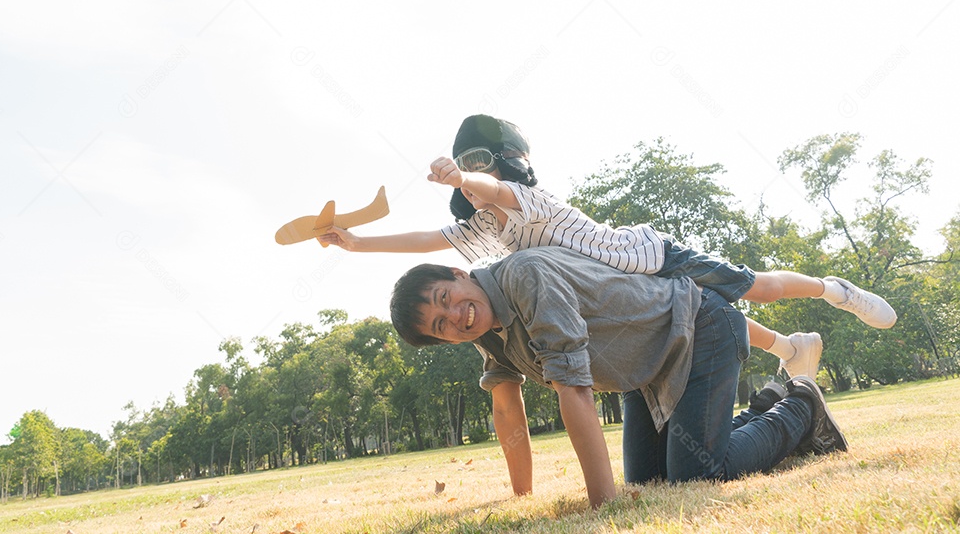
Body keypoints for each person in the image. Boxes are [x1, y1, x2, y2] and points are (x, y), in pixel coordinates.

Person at [320, 114, 896, 378]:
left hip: (649, 258)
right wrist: (356, 243)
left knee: (758, 290)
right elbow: (426, 240)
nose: (474, 184)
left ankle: (835, 290)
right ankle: (791, 351)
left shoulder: (524, 201)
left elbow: (493, 187)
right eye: (466, 176)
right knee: (704, 318)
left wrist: (461, 178)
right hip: (632, 297)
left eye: (478, 168)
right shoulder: (485, 234)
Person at [388, 247, 848, 508]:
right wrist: (521, 497)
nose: (455, 316)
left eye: (446, 298)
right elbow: (507, 407)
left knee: (699, 476)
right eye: (440, 326)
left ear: (457, 273)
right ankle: (764, 409)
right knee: (650, 483)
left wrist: (602, 507)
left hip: (698, 329)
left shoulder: (523, 277)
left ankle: (802, 406)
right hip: (645, 374)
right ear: (443, 341)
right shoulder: (487, 332)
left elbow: (575, 388)